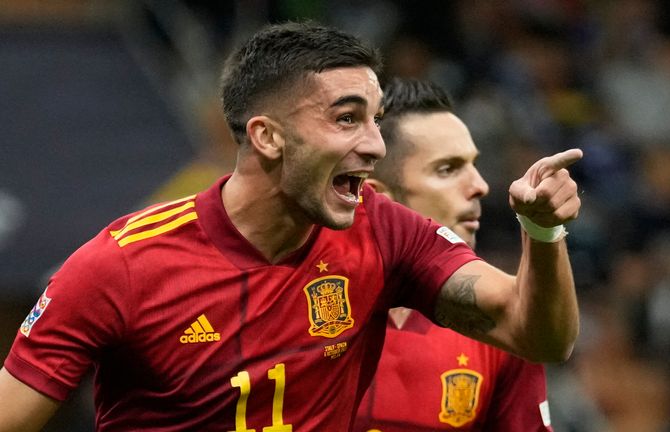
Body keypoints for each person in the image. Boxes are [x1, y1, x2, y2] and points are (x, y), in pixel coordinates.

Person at [0, 21, 581, 431]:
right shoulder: (120, 266)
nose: (376, 145)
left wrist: (544, 234)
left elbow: (537, 335)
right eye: (347, 119)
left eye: (376, 121)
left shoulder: (386, 233)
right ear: (267, 136)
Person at [353, 77, 553, 431]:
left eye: (474, 164)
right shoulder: (307, 307)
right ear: (378, 198)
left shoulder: (499, 320)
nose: (480, 185)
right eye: (447, 169)